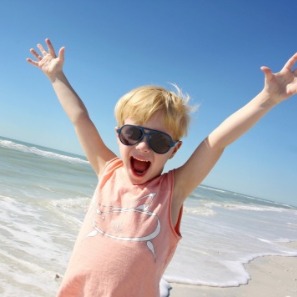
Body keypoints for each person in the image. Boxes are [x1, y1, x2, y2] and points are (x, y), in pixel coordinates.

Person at [27, 38, 297, 297]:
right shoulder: (108, 171)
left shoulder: (173, 190)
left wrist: (267, 99)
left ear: (174, 150)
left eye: (158, 140)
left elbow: (215, 143)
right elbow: (80, 119)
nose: (143, 147)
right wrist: (56, 76)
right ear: (119, 134)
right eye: (133, 134)